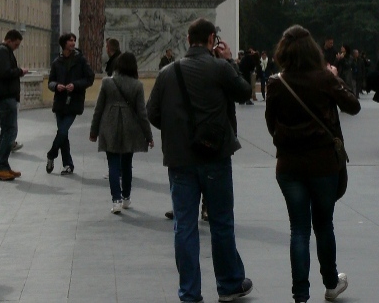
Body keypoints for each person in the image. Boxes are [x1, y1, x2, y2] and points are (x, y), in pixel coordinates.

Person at [147, 18, 253, 303]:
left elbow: (153, 112)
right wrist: (230, 61)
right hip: (215, 156)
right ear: (211, 40)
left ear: (187, 39)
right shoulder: (219, 68)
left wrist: (177, 131)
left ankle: (190, 292)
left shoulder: (168, 72)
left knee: (184, 225)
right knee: (220, 222)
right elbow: (244, 92)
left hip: (180, 160)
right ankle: (229, 285)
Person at [265, 26, 360, 302]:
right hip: (323, 164)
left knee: (298, 229)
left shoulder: (276, 83)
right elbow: (353, 106)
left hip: (289, 165)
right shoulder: (324, 79)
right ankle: (331, 283)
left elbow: (272, 125)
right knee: (324, 224)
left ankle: (300, 294)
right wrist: (335, 79)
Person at [90, 51, 154, 212]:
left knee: (113, 164)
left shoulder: (107, 83)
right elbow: (142, 113)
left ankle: (116, 200)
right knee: (127, 164)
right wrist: (149, 136)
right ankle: (126, 197)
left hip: (109, 125)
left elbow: (98, 109)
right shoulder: (137, 85)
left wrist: (94, 131)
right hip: (130, 127)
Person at [47, 33, 95, 175]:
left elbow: (89, 78)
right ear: (64, 44)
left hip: (74, 102)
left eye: (74, 40)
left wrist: (75, 85)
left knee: (62, 131)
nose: (73, 42)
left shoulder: (81, 60)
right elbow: (51, 81)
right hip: (60, 102)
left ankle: (51, 155)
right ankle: (68, 165)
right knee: (64, 135)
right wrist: (56, 86)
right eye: (70, 40)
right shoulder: (57, 62)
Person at [0, 29, 27, 181]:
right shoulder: (2, 51)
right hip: (5, 96)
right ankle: (1, 167)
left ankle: (3, 165)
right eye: (16, 44)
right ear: (10, 40)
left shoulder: (1, 50)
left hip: (5, 96)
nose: (16, 47)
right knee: (10, 130)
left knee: (7, 130)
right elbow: (4, 72)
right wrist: (20, 71)